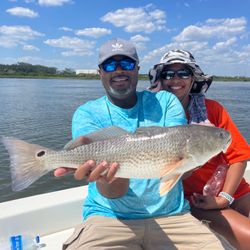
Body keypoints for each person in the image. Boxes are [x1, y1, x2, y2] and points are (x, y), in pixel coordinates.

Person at [54, 39, 233, 250]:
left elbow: (178, 172)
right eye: (110, 65)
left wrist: (187, 165)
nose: (119, 70)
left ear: (137, 69)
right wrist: (106, 175)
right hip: (109, 217)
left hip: (173, 217)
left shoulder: (166, 101)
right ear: (100, 71)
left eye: (127, 64)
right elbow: (114, 193)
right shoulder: (87, 114)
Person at [148, 49, 250, 250]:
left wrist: (224, 198)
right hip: (198, 200)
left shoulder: (213, 109)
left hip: (235, 190)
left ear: (193, 78)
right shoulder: (151, 116)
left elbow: (239, 156)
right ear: (160, 78)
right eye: (168, 74)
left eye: (183, 73)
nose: (175, 79)